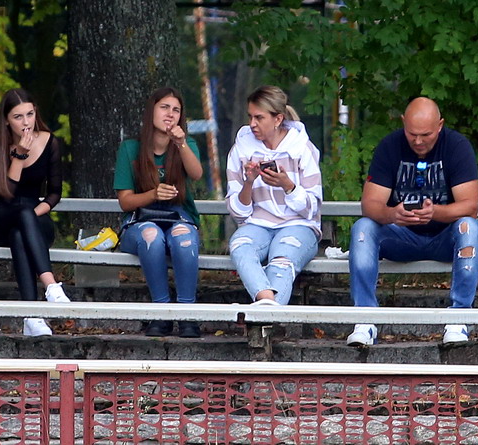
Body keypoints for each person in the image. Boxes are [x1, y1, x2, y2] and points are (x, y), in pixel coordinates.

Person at [347, 97, 478, 346]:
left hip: (445, 238)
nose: (418, 141)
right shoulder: (389, 146)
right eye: (412, 134)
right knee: (362, 228)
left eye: (426, 135)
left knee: (469, 227)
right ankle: (364, 318)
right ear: (403, 123)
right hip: (401, 237)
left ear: (440, 125)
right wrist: (392, 214)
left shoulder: (457, 146)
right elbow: (370, 205)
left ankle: (459, 317)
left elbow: (470, 206)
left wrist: (435, 212)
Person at [0, 88, 70, 337]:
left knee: (21, 231)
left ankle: (32, 317)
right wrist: (19, 155)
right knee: (21, 212)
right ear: (6, 120)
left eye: (30, 114)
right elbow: (6, 193)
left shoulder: (50, 141)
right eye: (18, 117)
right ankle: (51, 286)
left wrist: (31, 217)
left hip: (34, 216)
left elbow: (54, 194)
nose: (26, 122)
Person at [114, 86, 203, 338]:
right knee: (152, 235)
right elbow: (125, 202)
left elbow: (197, 174)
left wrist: (181, 143)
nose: (170, 114)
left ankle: (187, 314)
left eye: (176, 110)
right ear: (151, 111)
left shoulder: (186, 144)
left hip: (178, 217)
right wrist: (153, 194)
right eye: (164, 107)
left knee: (184, 239)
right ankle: (161, 311)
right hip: (139, 221)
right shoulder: (130, 148)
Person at [226, 85, 322, 306]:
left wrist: (288, 185)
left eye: (259, 118)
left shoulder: (301, 148)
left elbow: (312, 208)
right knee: (240, 246)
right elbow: (239, 214)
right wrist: (249, 182)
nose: (252, 124)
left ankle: (264, 312)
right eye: (250, 117)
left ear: (278, 119)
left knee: (282, 261)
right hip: (257, 225)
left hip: (298, 225)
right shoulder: (241, 148)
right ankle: (268, 304)